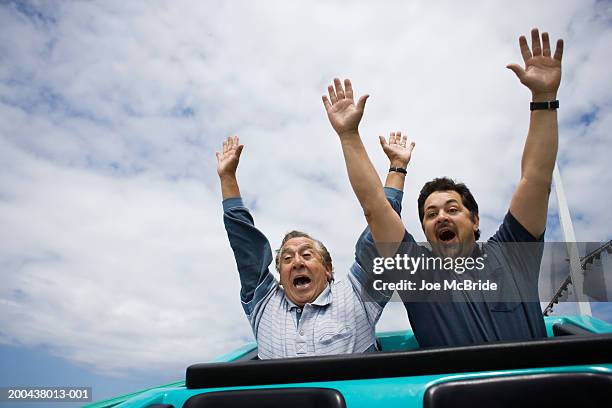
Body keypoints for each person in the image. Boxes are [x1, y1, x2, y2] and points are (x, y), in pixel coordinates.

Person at [323, 28, 563, 347]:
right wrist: (349, 136)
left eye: (452, 209)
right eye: (431, 214)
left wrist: (544, 98)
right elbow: (375, 207)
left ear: (475, 220)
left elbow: (536, 178)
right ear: (424, 229)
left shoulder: (513, 253)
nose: (441, 218)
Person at [216, 130, 415, 358]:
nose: (297, 262)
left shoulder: (357, 293)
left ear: (328, 269)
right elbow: (245, 245)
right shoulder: (264, 303)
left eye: (307, 255)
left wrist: (397, 167)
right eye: (287, 259)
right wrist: (227, 177)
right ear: (280, 276)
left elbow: (381, 227)